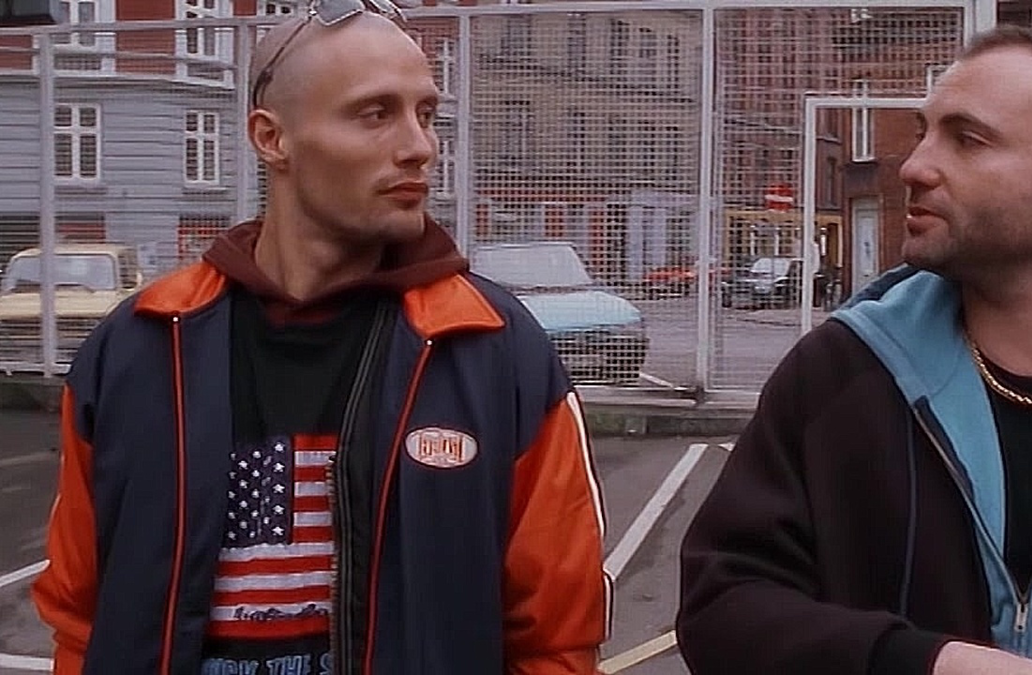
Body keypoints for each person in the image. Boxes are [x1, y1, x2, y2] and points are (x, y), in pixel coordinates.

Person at [32, 6, 609, 674]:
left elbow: (555, 638)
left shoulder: (496, 350)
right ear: (272, 138)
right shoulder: (139, 347)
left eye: (425, 113)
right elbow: (79, 615)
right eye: (375, 113)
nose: (421, 146)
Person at [677, 24, 1032, 675]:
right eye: (924, 133)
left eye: (967, 139)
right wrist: (918, 662)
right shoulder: (838, 375)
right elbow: (721, 608)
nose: (915, 166)